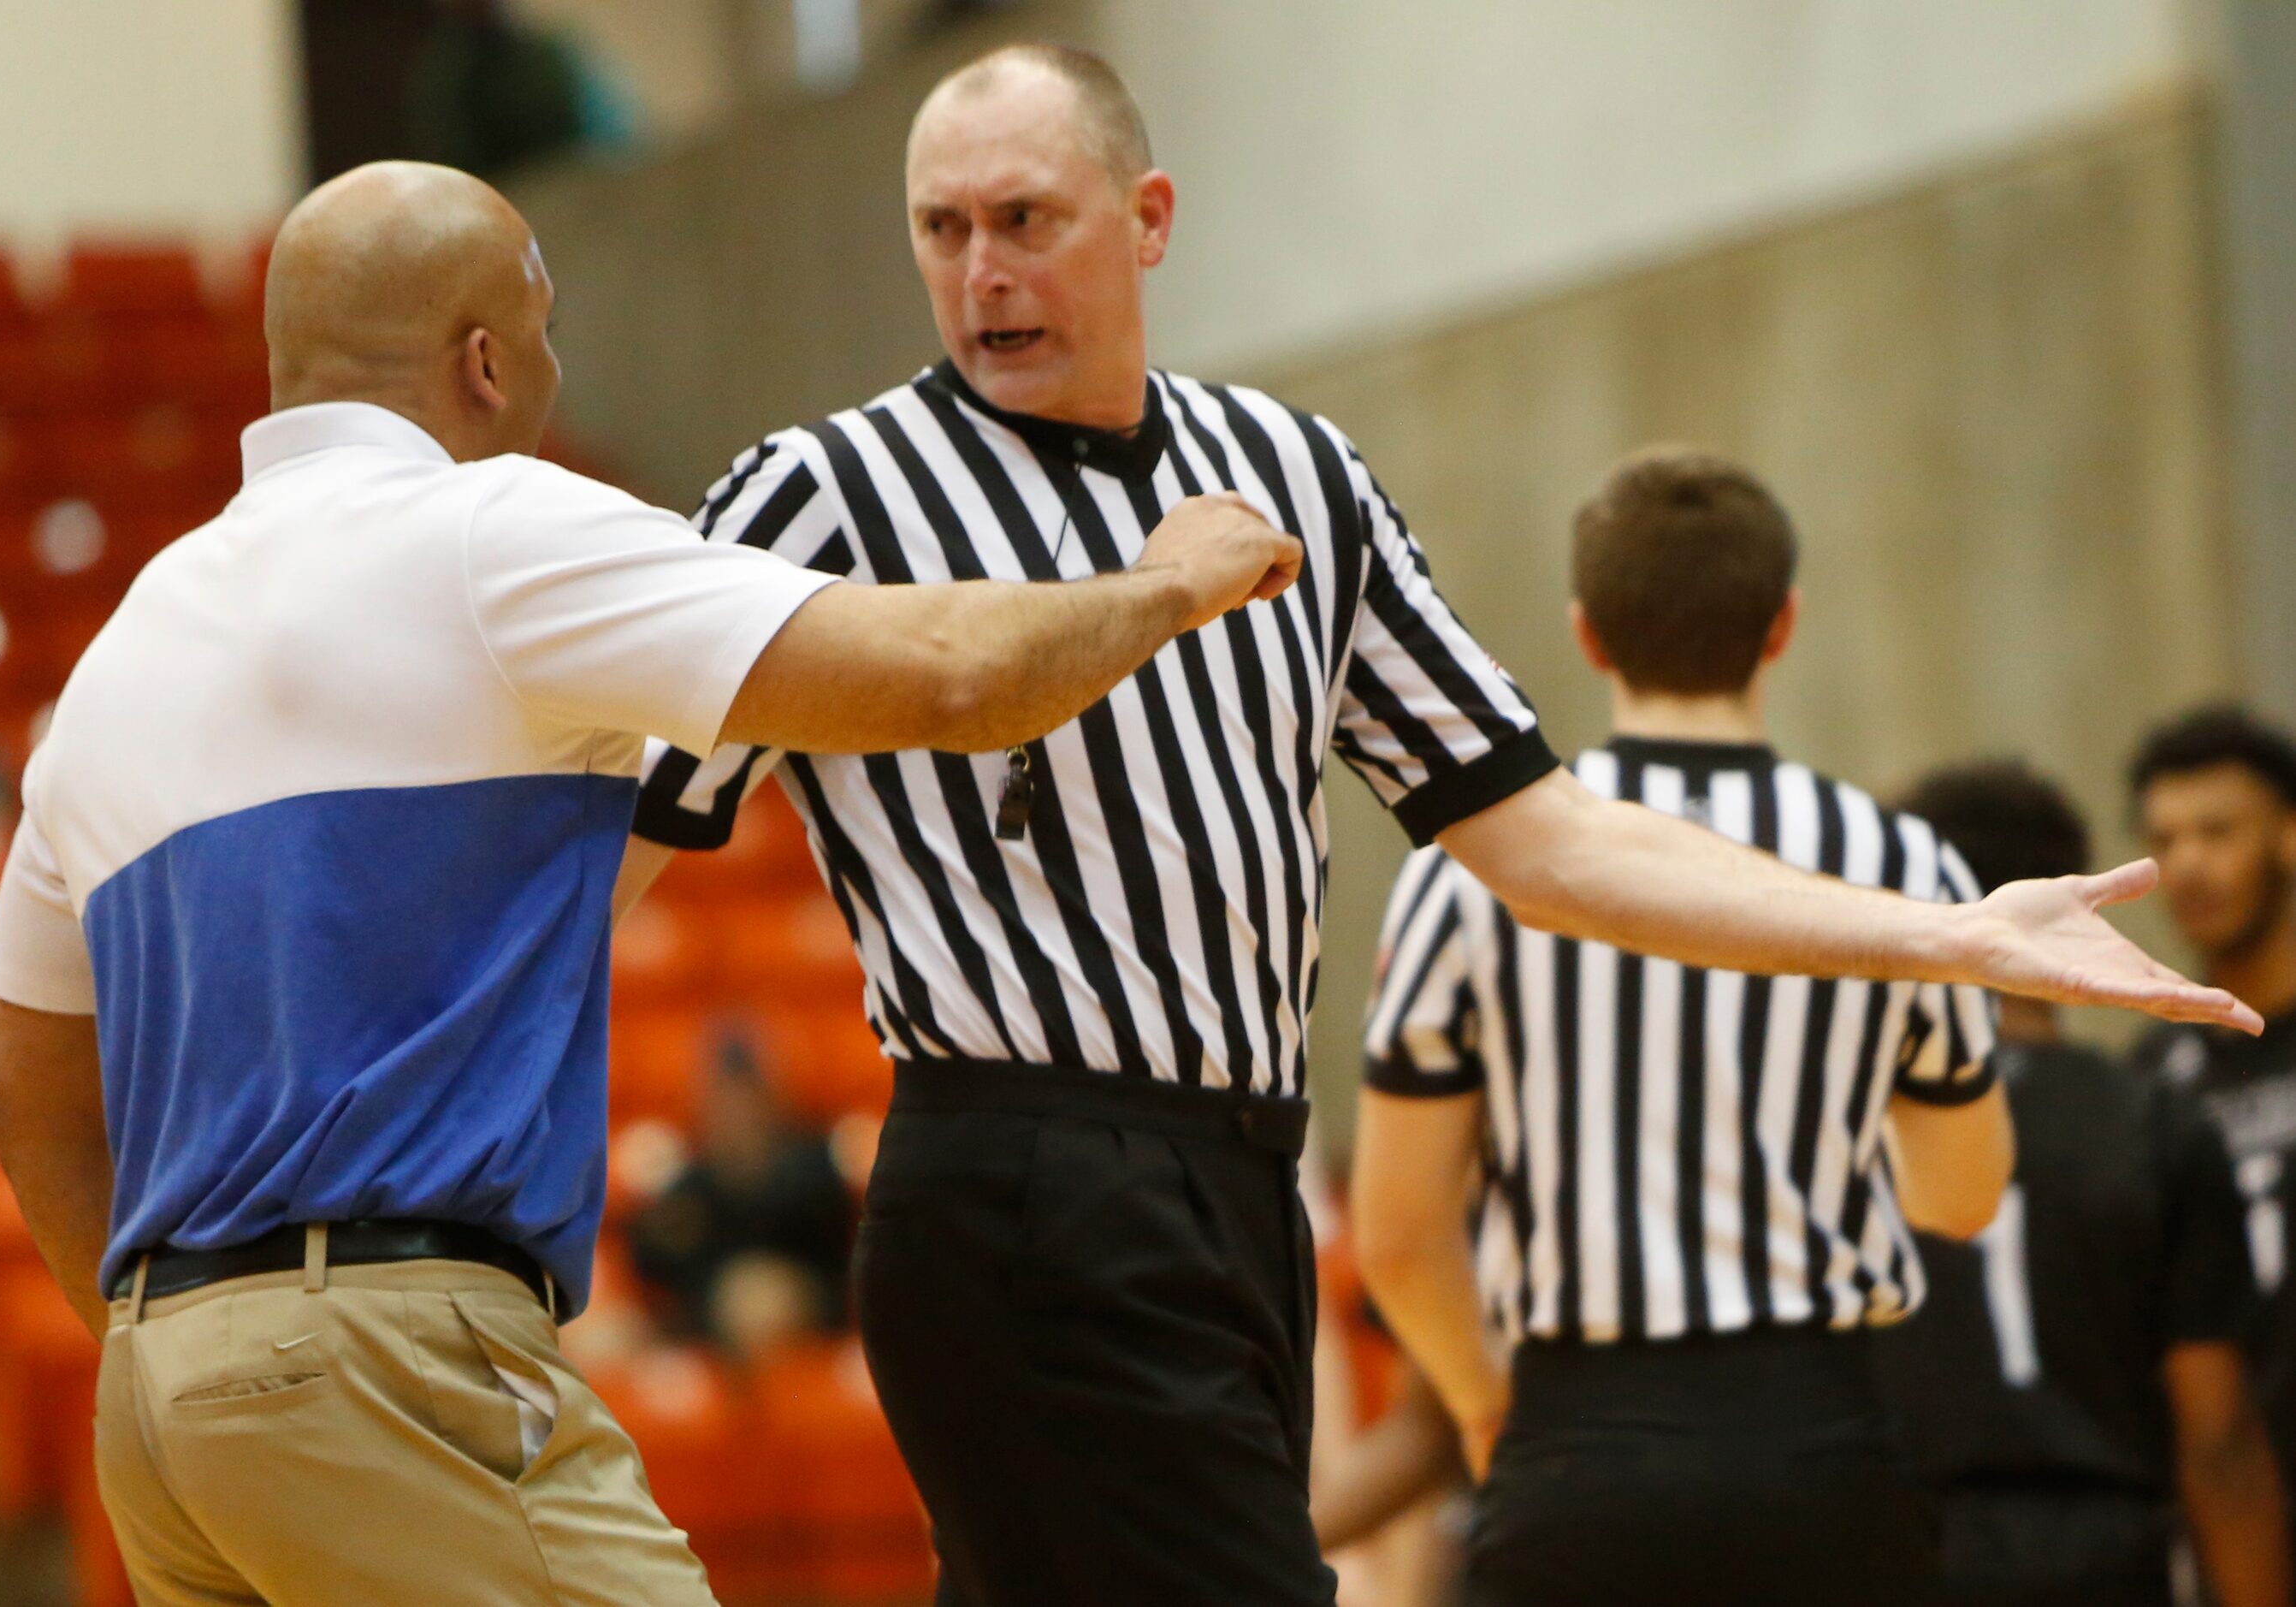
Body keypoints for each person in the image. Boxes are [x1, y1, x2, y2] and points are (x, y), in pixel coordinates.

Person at [620, 47, 2253, 1607]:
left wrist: (1940, 935)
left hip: (1242, 1185)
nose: (980, 270)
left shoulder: (1295, 475)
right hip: (1014, 1174)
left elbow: (1547, 836)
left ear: (1149, 219)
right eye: (941, 227)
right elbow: (612, 837)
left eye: (1024, 221)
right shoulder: (820, 492)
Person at [0, 158, 1299, 1607]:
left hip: (161, 1409)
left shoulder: (117, 657)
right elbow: (952, 670)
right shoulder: (489, 532)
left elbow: (34, 1108)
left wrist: (194, 1353)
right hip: (389, 1354)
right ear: (483, 359)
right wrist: (1172, 581)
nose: (550, 369)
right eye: (543, 332)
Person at [1357, 450, 2018, 1605]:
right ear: (1780, 625)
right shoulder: (1904, 866)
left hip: (1574, 1449)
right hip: (1820, 1448)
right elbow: (1960, 1198)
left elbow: (1401, 1235)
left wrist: (1479, 1399)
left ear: (1587, 635)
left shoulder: (1463, 872)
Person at [1873, 759, 2289, 1607]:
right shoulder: (2154, 1117)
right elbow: (2218, 1443)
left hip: (1915, 1549)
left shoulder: (1850, 1132)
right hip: (2111, 1555)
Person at [2127, 706, 2296, 1537]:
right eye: (2163, 841)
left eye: (2217, 831)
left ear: (2289, 838)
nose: (2187, 865)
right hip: (2235, 1504)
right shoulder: (2147, 1082)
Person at [627, 1029, 855, 1355]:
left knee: (760, 1300)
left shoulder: (813, 1163)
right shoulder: (690, 1177)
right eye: (725, 1099)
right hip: (704, 1322)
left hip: (808, 1320)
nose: (737, 1113)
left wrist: (748, 1173)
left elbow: (834, 1245)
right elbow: (652, 1263)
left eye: (747, 1096)